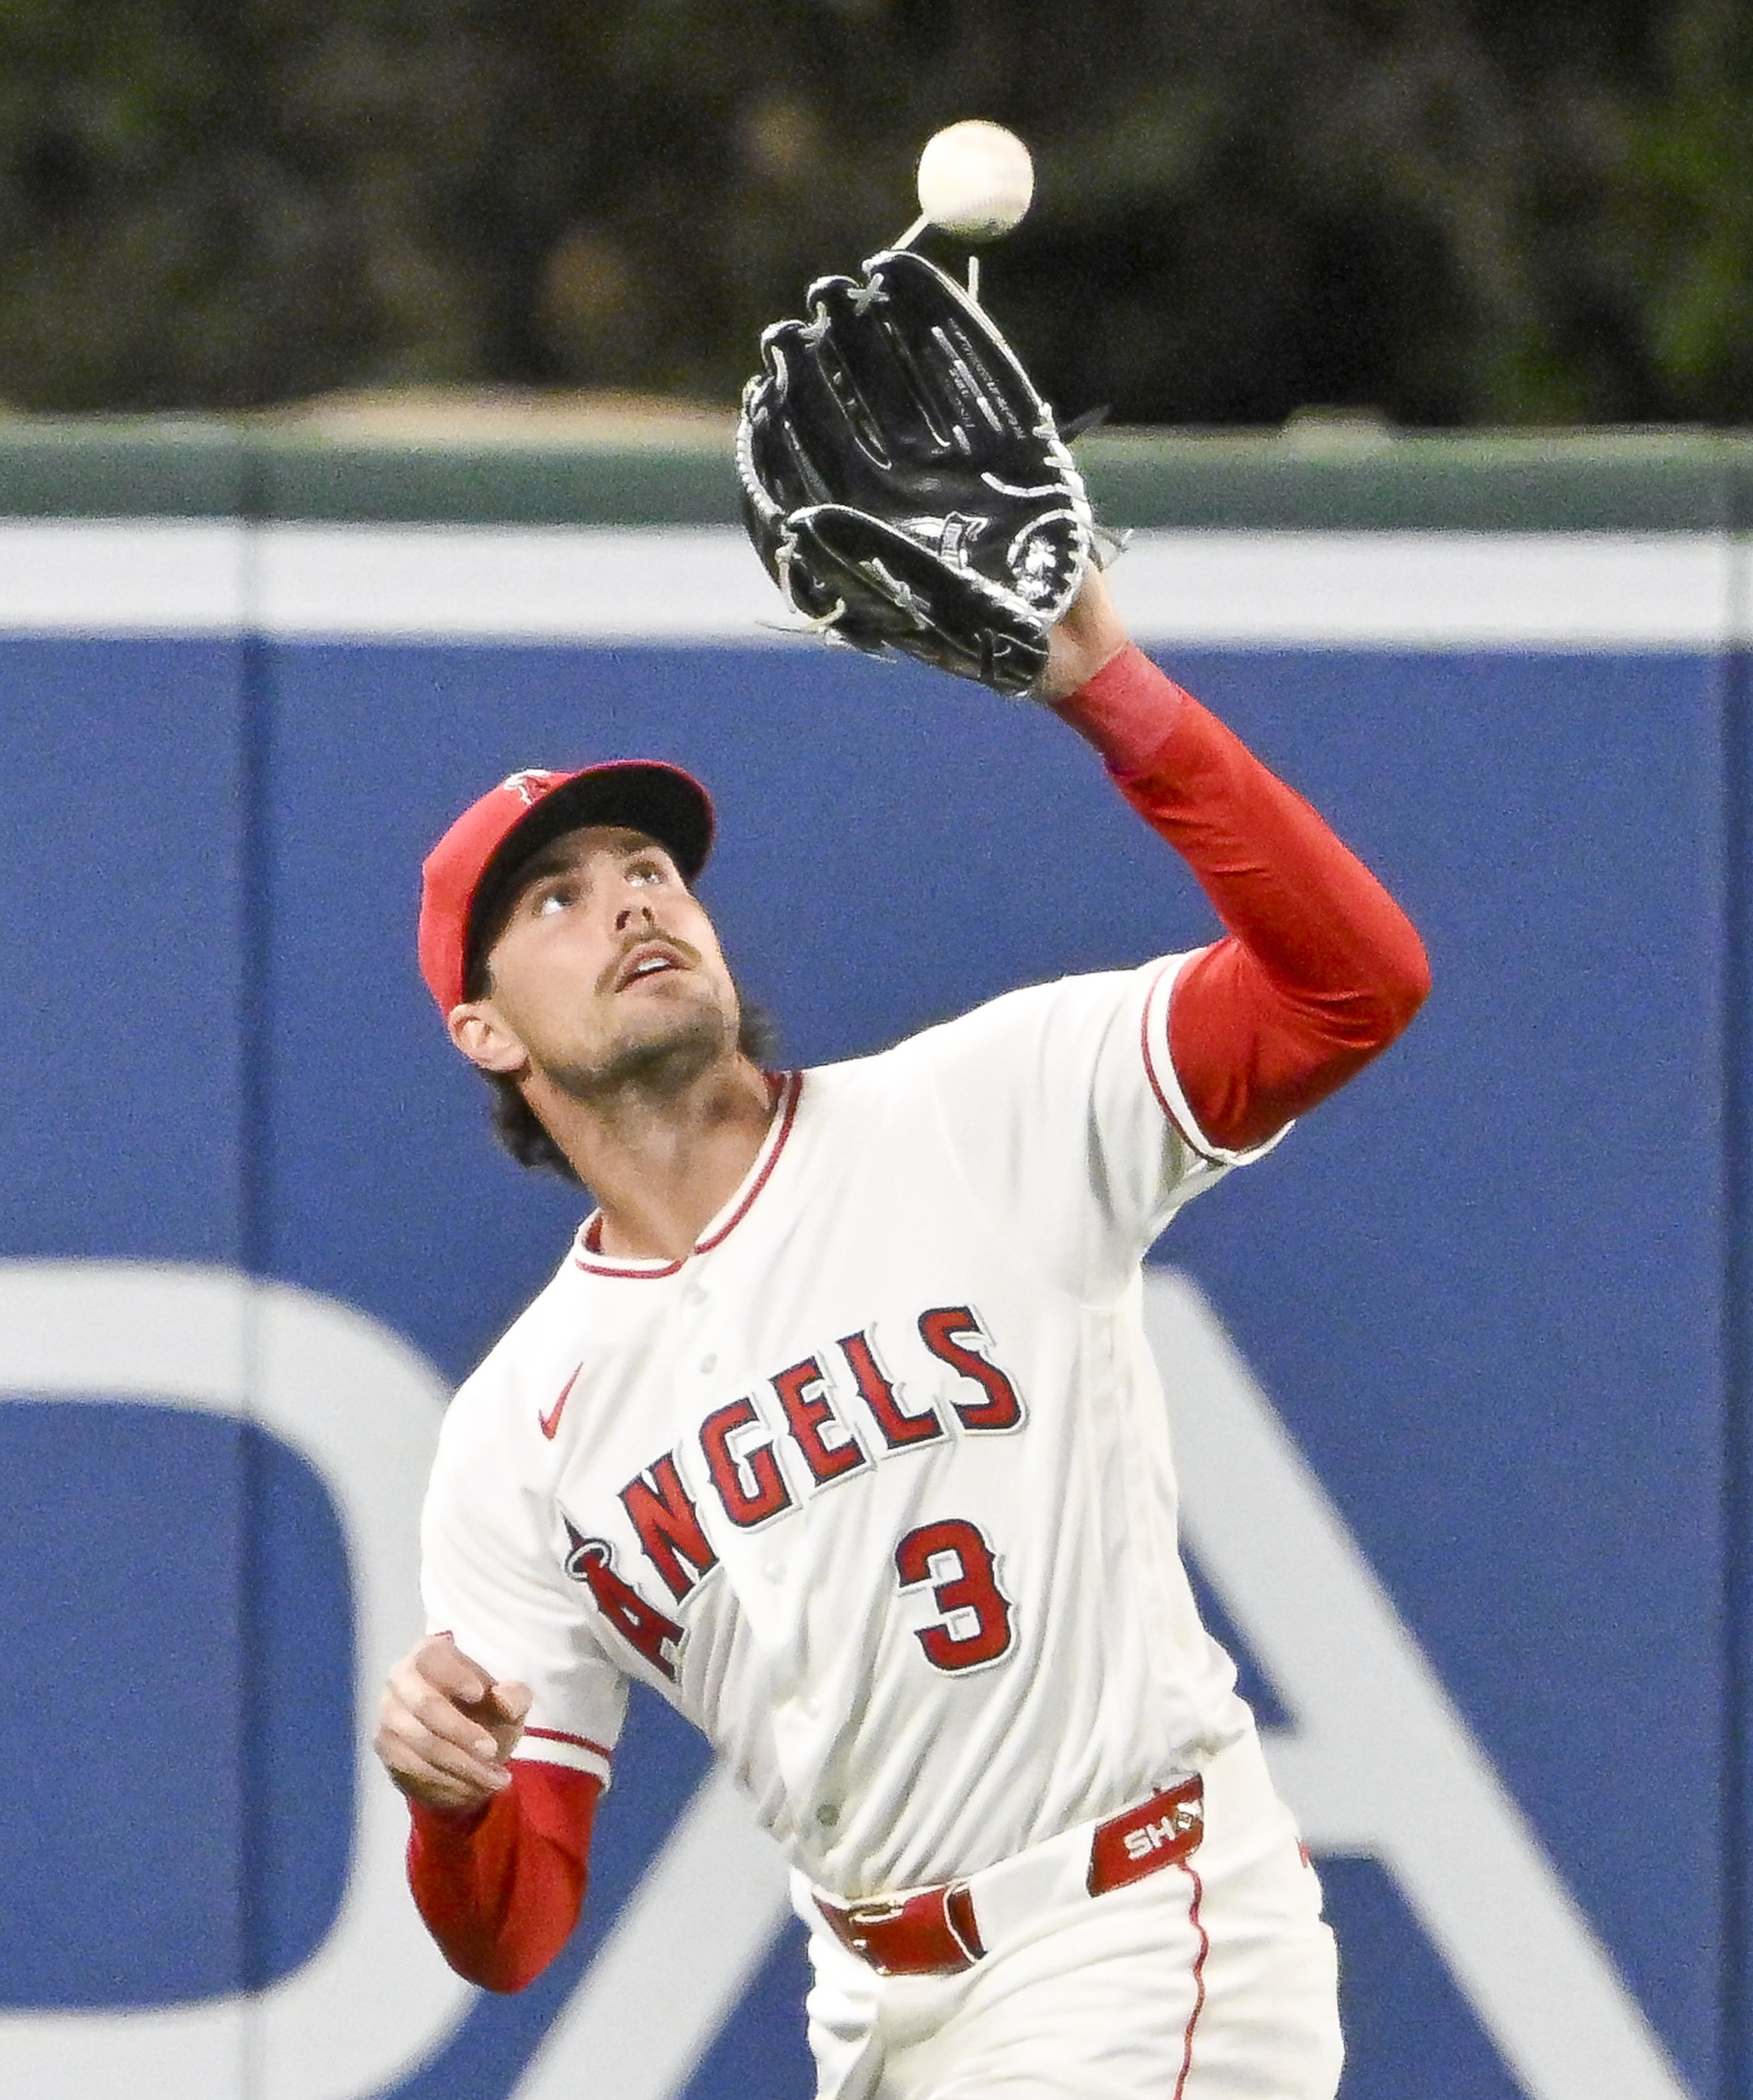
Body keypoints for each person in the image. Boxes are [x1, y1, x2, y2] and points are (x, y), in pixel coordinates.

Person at [372, 562, 1429, 2099]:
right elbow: (513, 1930)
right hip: (873, 2008)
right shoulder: (515, 1430)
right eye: (558, 896)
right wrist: (449, 1805)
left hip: (1129, 1928)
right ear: (482, 1027)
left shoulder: (976, 1108)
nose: (630, 899)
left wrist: (1112, 694)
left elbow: (1350, 988)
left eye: (648, 865)